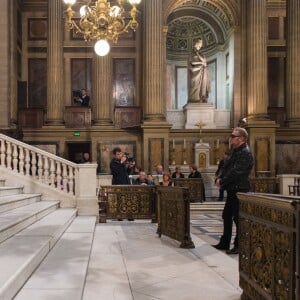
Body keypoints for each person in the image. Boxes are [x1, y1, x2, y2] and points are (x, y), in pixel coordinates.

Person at [213, 127, 253, 255]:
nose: (230, 138)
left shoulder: (245, 153)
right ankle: (225, 242)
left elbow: (236, 172)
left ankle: (238, 245)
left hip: (239, 190)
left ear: (241, 138)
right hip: (232, 189)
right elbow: (226, 167)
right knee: (226, 216)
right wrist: (219, 178)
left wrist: (222, 181)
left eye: (233, 135)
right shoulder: (235, 151)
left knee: (237, 218)